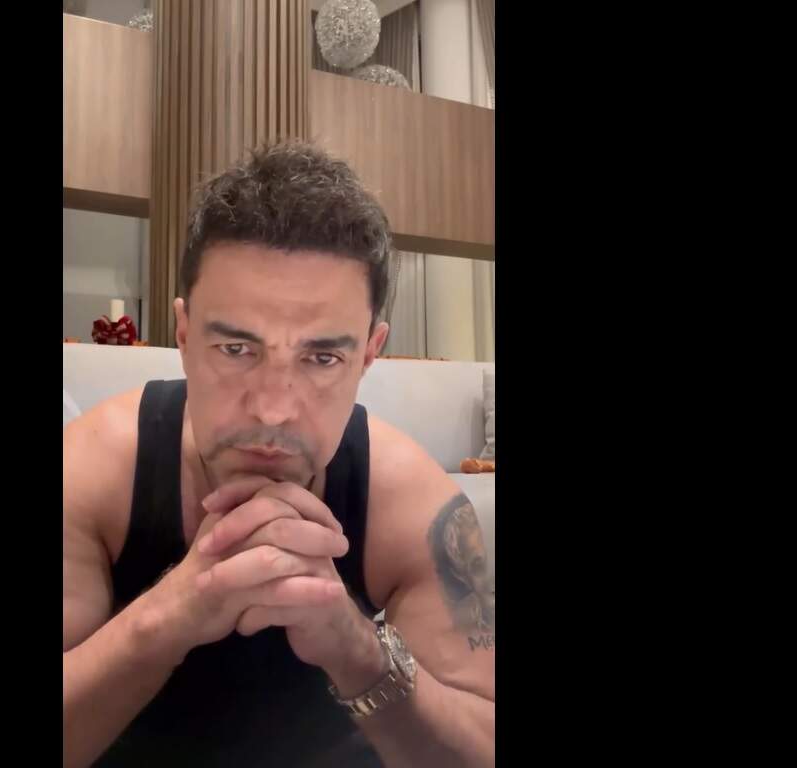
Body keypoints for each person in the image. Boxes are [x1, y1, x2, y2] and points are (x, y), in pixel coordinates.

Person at [63, 141, 495, 768]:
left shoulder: (411, 503)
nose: (272, 409)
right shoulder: (89, 472)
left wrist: (359, 651)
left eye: (322, 358)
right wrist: (167, 618)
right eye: (236, 349)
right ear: (183, 335)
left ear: (368, 355)